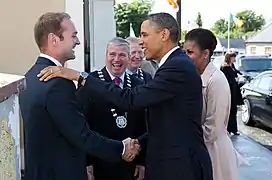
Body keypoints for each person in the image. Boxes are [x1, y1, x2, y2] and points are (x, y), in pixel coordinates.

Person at [38, 12, 213, 180]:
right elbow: (163, 123)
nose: (141, 42)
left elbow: (131, 99)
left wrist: (80, 76)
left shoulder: (176, 67)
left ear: (164, 35)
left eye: (145, 35)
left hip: (180, 168)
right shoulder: (174, 65)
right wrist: (135, 144)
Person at [19, 12, 139, 180]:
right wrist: (122, 149)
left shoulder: (30, 76)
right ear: (54, 39)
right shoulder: (57, 83)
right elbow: (81, 134)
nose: (78, 41)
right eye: (73, 35)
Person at [78, 37, 147, 180]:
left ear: (128, 58)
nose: (117, 59)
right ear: (106, 56)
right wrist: (86, 163)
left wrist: (142, 161)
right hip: (99, 163)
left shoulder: (138, 85)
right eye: (112, 54)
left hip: (130, 163)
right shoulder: (90, 83)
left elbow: (143, 126)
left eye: (122, 55)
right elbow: (82, 126)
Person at [184, 28, 239, 180]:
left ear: (206, 54)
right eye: (184, 52)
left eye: (190, 52)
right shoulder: (195, 76)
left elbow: (212, 128)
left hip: (213, 151)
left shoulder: (216, 80)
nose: (186, 57)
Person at [220, 52, 242, 135]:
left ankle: (233, 129)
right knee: (229, 110)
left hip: (234, 90)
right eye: (233, 57)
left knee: (234, 110)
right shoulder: (225, 66)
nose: (234, 59)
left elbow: (236, 72)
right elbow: (229, 76)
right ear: (229, 57)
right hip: (228, 90)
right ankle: (227, 128)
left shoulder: (232, 66)